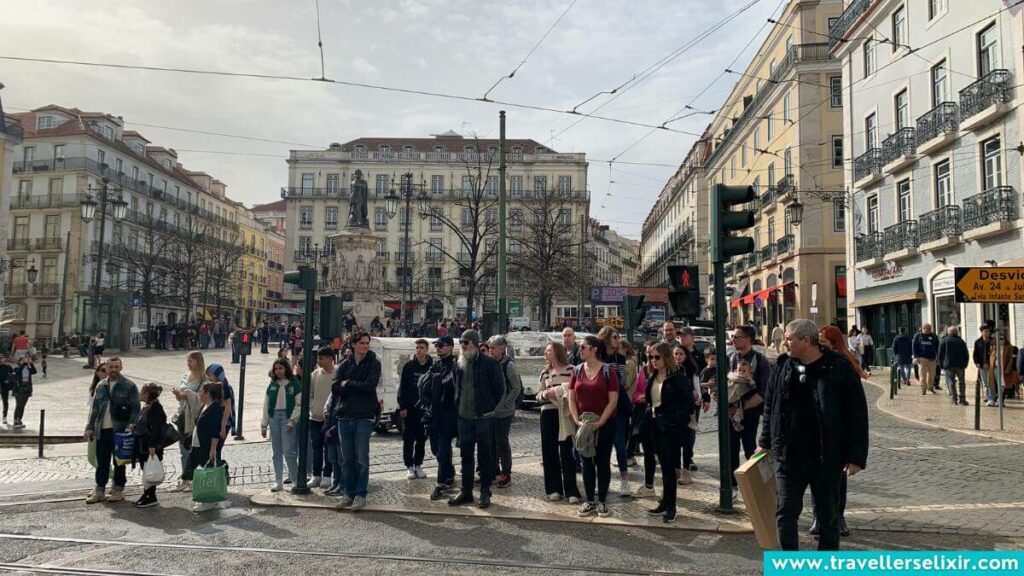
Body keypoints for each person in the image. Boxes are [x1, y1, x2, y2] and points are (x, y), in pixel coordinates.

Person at [756, 320, 869, 551]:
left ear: (806, 341)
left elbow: (857, 413)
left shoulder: (839, 367)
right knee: (785, 513)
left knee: (828, 517)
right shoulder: (782, 365)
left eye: (789, 338)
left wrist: (856, 456)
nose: (783, 342)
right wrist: (765, 442)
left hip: (826, 456)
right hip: (789, 455)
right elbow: (771, 406)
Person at [812, 325, 868, 538]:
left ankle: (838, 517)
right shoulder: (810, 363)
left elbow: (857, 409)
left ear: (834, 344)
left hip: (838, 434)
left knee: (837, 480)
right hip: (815, 433)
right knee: (817, 478)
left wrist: (855, 451)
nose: (820, 347)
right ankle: (819, 516)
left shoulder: (845, 365)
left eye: (824, 343)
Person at [448, 330, 505, 510]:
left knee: (485, 457)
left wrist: (490, 409)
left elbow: (499, 389)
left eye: (465, 343)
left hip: (483, 418)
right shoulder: (459, 364)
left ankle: (485, 492)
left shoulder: (489, 363)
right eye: (461, 343)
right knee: (465, 456)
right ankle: (466, 491)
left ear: (474, 343)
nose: (462, 346)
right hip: (464, 418)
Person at [568, 335, 618, 517]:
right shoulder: (577, 371)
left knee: (602, 462)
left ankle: (602, 501)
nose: (579, 350)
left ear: (594, 349)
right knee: (586, 462)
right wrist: (577, 420)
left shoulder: (608, 371)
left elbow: (613, 400)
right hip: (583, 423)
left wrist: (601, 422)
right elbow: (571, 398)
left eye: (582, 347)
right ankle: (589, 500)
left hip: (605, 423)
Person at [644, 341, 693, 524]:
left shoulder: (677, 377)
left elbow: (688, 402)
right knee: (663, 467)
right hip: (655, 426)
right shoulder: (653, 376)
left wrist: (675, 418)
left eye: (657, 357)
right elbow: (651, 401)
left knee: (669, 468)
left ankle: (671, 506)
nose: (654, 360)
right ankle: (665, 502)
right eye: (651, 357)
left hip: (671, 428)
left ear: (666, 357)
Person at [332, 331, 381, 511]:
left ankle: (360, 494)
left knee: (361, 458)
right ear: (353, 344)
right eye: (362, 343)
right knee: (347, 459)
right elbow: (336, 387)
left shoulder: (374, 364)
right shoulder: (345, 364)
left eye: (367, 343)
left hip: (364, 416)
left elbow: (370, 387)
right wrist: (347, 385)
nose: (365, 346)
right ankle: (348, 493)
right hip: (344, 415)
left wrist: (348, 384)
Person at [83, 357, 140, 504]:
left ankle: (118, 490)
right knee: (102, 462)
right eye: (111, 367)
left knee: (119, 462)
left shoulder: (129, 385)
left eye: (116, 367)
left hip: (119, 430)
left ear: (121, 368)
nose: (113, 369)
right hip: (102, 430)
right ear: (106, 368)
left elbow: (135, 408)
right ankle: (100, 490)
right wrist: (89, 427)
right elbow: (95, 409)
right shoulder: (101, 386)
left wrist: (131, 425)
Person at [536, 341, 581, 503]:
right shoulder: (545, 373)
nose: (546, 353)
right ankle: (554, 489)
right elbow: (538, 394)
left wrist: (559, 391)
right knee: (549, 453)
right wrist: (546, 395)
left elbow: (575, 390)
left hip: (564, 415)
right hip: (547, 414)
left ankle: (572, 491)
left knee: (566, 453)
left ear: (557, 352)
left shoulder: (571, 370)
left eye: (548, 350)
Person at [727, 325, 768, 500]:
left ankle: (756, 486)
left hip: (750, 412)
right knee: (730, 449)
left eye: (737, 337)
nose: (733, 340)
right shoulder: (731, 358)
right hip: (730, 412)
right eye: (734, 337)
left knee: (750, 448)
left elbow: (764, 391)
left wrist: (743, 407)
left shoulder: (760, 360)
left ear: (748, 339)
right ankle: (732, 485)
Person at [595, 326, 631, 497]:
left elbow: (623, 381)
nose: (618, 339)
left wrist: (610, 377)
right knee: (602, 445)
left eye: (618, 336)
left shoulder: (619, 357)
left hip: (618, 404)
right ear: (606, 338)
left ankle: (625, 480)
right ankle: (603, 480)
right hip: (601, 404)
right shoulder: (598, 357)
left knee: (619, 442)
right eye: (615, 336)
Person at [423, 335, 459, 500]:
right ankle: (449, 472)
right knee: (435, 448)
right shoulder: (435, 365)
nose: (438, 348)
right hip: (434, 412)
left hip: (449, 412)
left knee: (443, 448)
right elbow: (426, 386)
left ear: (450, 347)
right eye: (436, 345)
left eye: (441, 345)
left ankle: (441, 484)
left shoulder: (456, 366)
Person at [184, 381, 227, 512]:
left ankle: (209, 501)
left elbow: (215, 432)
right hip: (200, 444)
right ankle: (210, 500)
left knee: (207, 473)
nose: (200, 394)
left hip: (207, 446)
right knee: (203, 471)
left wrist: (213, 449)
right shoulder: (207, 406)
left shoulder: (214, 409)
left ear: (208, 394)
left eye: (202, 391)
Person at [487, 335, 522, 489]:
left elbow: (516, 388)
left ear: (501, 349)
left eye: (493, 348)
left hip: (505, 411)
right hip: (490, 411)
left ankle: (505, 473)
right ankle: (492, 470)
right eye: (489, 348)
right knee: (491, 441)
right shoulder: (489, 363)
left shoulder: (508, 365)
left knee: (501, 440)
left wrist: (506, 403)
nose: (490, 351)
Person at [261, 359, 301, 492]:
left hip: (287, 418)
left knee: (288, 451)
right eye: (276, 369)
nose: (278, 371)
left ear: (286, 369)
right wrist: (264, 424)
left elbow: (299, 405)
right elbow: (266, 405)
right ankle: (278, 481)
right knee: (276, 452)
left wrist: (293, 421)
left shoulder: (294, 384)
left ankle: (295, 480)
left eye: (281, 368)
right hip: (274, 418)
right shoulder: (272, 385)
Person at [168, 352, 205, 493]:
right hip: (183, 416)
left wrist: (188, 394)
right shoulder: (185, 375)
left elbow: (202, 398)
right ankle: (185, 478)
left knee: (193, 449)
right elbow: (182, 397)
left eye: (191, 361)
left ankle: (194, 478)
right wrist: (179, 395)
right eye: (188, 360)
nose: (188, 363)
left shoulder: (204, 379)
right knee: (183, 449)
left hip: (195, 417)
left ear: (198, 362)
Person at [398, 339, 433, 480]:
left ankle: (418, 464)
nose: (419, 350)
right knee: (408, 439)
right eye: (417, 347)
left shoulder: (432, 366)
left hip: (425, 410)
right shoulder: (409, 366)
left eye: (422, 347)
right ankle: (409, 466)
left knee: (421, 439)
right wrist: (402, 406)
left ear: (427, 349)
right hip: (410, 409)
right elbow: (402, 387)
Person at [132, 383, 167, 508]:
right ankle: (147, 494)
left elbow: (156, 428)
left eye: (141, 391)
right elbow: (144, 423)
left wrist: (152, 445)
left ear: (147, 394)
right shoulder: (147, 406)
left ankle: (150, 496)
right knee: (146, 469)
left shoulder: (155, 408)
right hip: (143, 444)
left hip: (150, 446)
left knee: (149, 470)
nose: (139, 394)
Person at [309, 347, 337, 488]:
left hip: (331, 419)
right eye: (318, 358)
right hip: (315, 417)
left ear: (330, 358)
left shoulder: (338, 373)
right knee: (316, 447)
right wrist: (313, 406)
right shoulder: (314, 374)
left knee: (329, 447)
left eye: (322, 358)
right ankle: (316, 475)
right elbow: (310, 394)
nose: (319, 361)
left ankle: (327, 475)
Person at [205, 363, 235, 453]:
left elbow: (227, 407)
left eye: (210, 375)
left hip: (224, 421)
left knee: (216, 448)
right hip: (217, 420)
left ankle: (217, 466)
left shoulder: (225, 387)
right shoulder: (214, 386)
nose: (208, 378)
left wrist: (222, 426)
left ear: (217, 376)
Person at [937, 326, 969, 406]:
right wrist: (965, 363)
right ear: (957, 332)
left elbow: (940, 354)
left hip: (948, 365)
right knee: (962, 382)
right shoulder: (961, 341)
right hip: (960, 365)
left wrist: (941, 365)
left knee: (951, 382)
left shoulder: (944, 341)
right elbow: (966, 354)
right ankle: (962, 399)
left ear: (948, 332)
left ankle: (954, 399)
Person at [727, 360, 754, 432]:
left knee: (737, 411)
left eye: (744, 371)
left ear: (748, 372)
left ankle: (736, 423)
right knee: (730, 411)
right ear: (736, 370)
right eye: (739, 370)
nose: (741, 372)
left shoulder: (748, 379)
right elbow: (729, 384)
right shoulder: (733, 377)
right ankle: (734, 422)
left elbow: (753, 388)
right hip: (731, 397)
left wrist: (750, 380)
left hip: (740, 399)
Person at [912, 323, 940, 394]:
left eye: (929, 329)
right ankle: (923, 388)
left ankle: (930, 387)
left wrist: (938, 357)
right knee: (922, 374)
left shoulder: (934, 336)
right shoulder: (918, 336)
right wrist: (916, 357)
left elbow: (937, 346)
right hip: (922, 358)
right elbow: (914, 347)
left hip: (932, 358)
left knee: (932, 374)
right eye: (927, 329)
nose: (928, 330)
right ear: (923, 329)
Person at [974, 322, 996, 406]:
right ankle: (988, 395)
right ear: (982, 332)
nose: (987, 333)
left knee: (991, 382)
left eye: (988, 331)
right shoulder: (978, 342)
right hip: (981, 365)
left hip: (990, 365)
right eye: (986, 331)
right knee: (985, 382)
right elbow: (975, 353)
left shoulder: (993, 341)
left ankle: (991, 398)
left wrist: (989, 363)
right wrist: (976, 362)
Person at [11, 355, 36, 430]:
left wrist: (31, 363)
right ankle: (15, 421)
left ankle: (19, 420)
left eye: (24, 360)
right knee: (18, 405)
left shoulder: (28, 368)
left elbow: (34, 371)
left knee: (22, 406)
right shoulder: (16, 369)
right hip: (19, 390)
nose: (24, 361)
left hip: (27, 389)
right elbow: (19, 372)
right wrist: (25, 363)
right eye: (22, 360)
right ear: (19, 362)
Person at [0, 354, 13, 426]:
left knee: (5, 402)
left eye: (2, 358)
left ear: (4, 359)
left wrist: (8, 380)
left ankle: (4, 416)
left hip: (4, 387)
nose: (0, 359)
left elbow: (12, 376)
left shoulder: (8, 367)